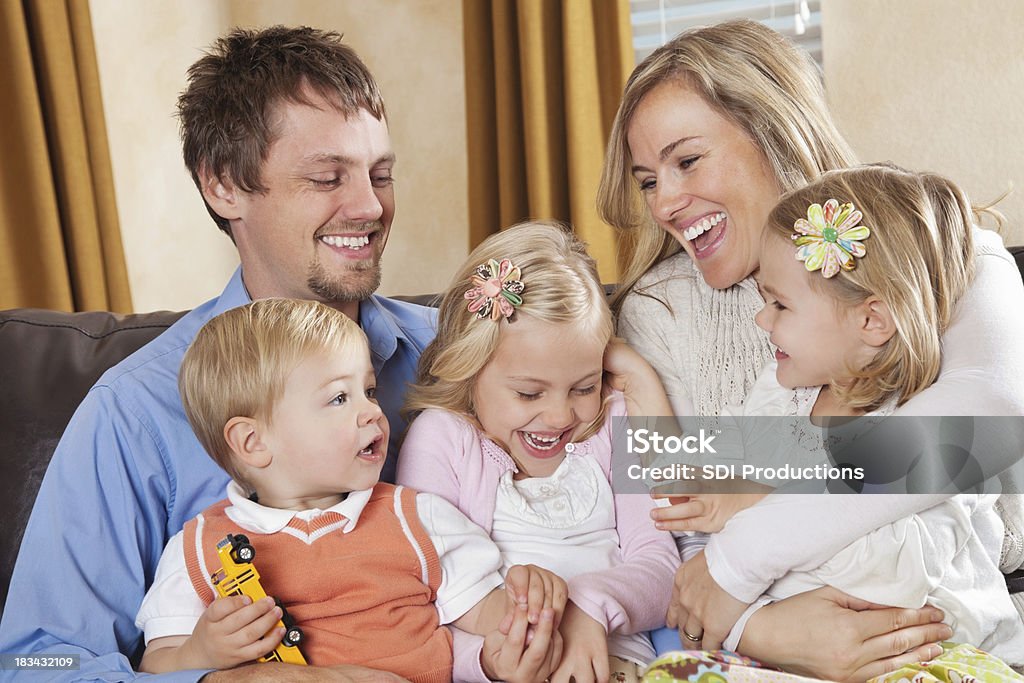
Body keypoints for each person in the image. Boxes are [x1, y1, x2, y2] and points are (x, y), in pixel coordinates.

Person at [0, 26, 437, 682]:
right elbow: (36, 659)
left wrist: (634, 376)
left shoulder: (463, 343)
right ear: (224, 186)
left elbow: (649, 496)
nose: (371, 206)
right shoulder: (135, 411)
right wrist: (217, 678)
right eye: (327, 177)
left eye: (380, 174)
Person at [596, 19, 1024, 681]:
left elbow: (985, 425)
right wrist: (760, 628)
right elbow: (678, 526)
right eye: (648, 179)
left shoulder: (930, 248)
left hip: (940, 628)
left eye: (686, 160)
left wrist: (754, 524)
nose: (666, 202)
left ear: (772, 129)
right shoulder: (657, 313)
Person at [665, 165, 1024, 680]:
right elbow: (708, 549)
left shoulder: (920, 417)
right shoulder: (778, 393)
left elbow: (896, 576)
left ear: (872, 320)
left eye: (779, 304)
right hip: (787, 656)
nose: (761, 320)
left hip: (930, 653)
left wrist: (766, 500)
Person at [137, 298, 566, 680]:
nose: (373, 414)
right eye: (340, 399)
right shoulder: (197, 548)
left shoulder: (417, 517)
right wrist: (201, 651)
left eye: (369, 391)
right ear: (254, 443)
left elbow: (485, 613)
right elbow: (156, 663)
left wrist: (528, 609)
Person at [396, 222, 681, 683]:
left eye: (583, 386)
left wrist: (587, 607)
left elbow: (663, 566)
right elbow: (427, 593)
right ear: (469, 373)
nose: (559, 416)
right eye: (529, 394)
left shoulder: (611, 423)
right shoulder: (443, 440)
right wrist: (486, 663)